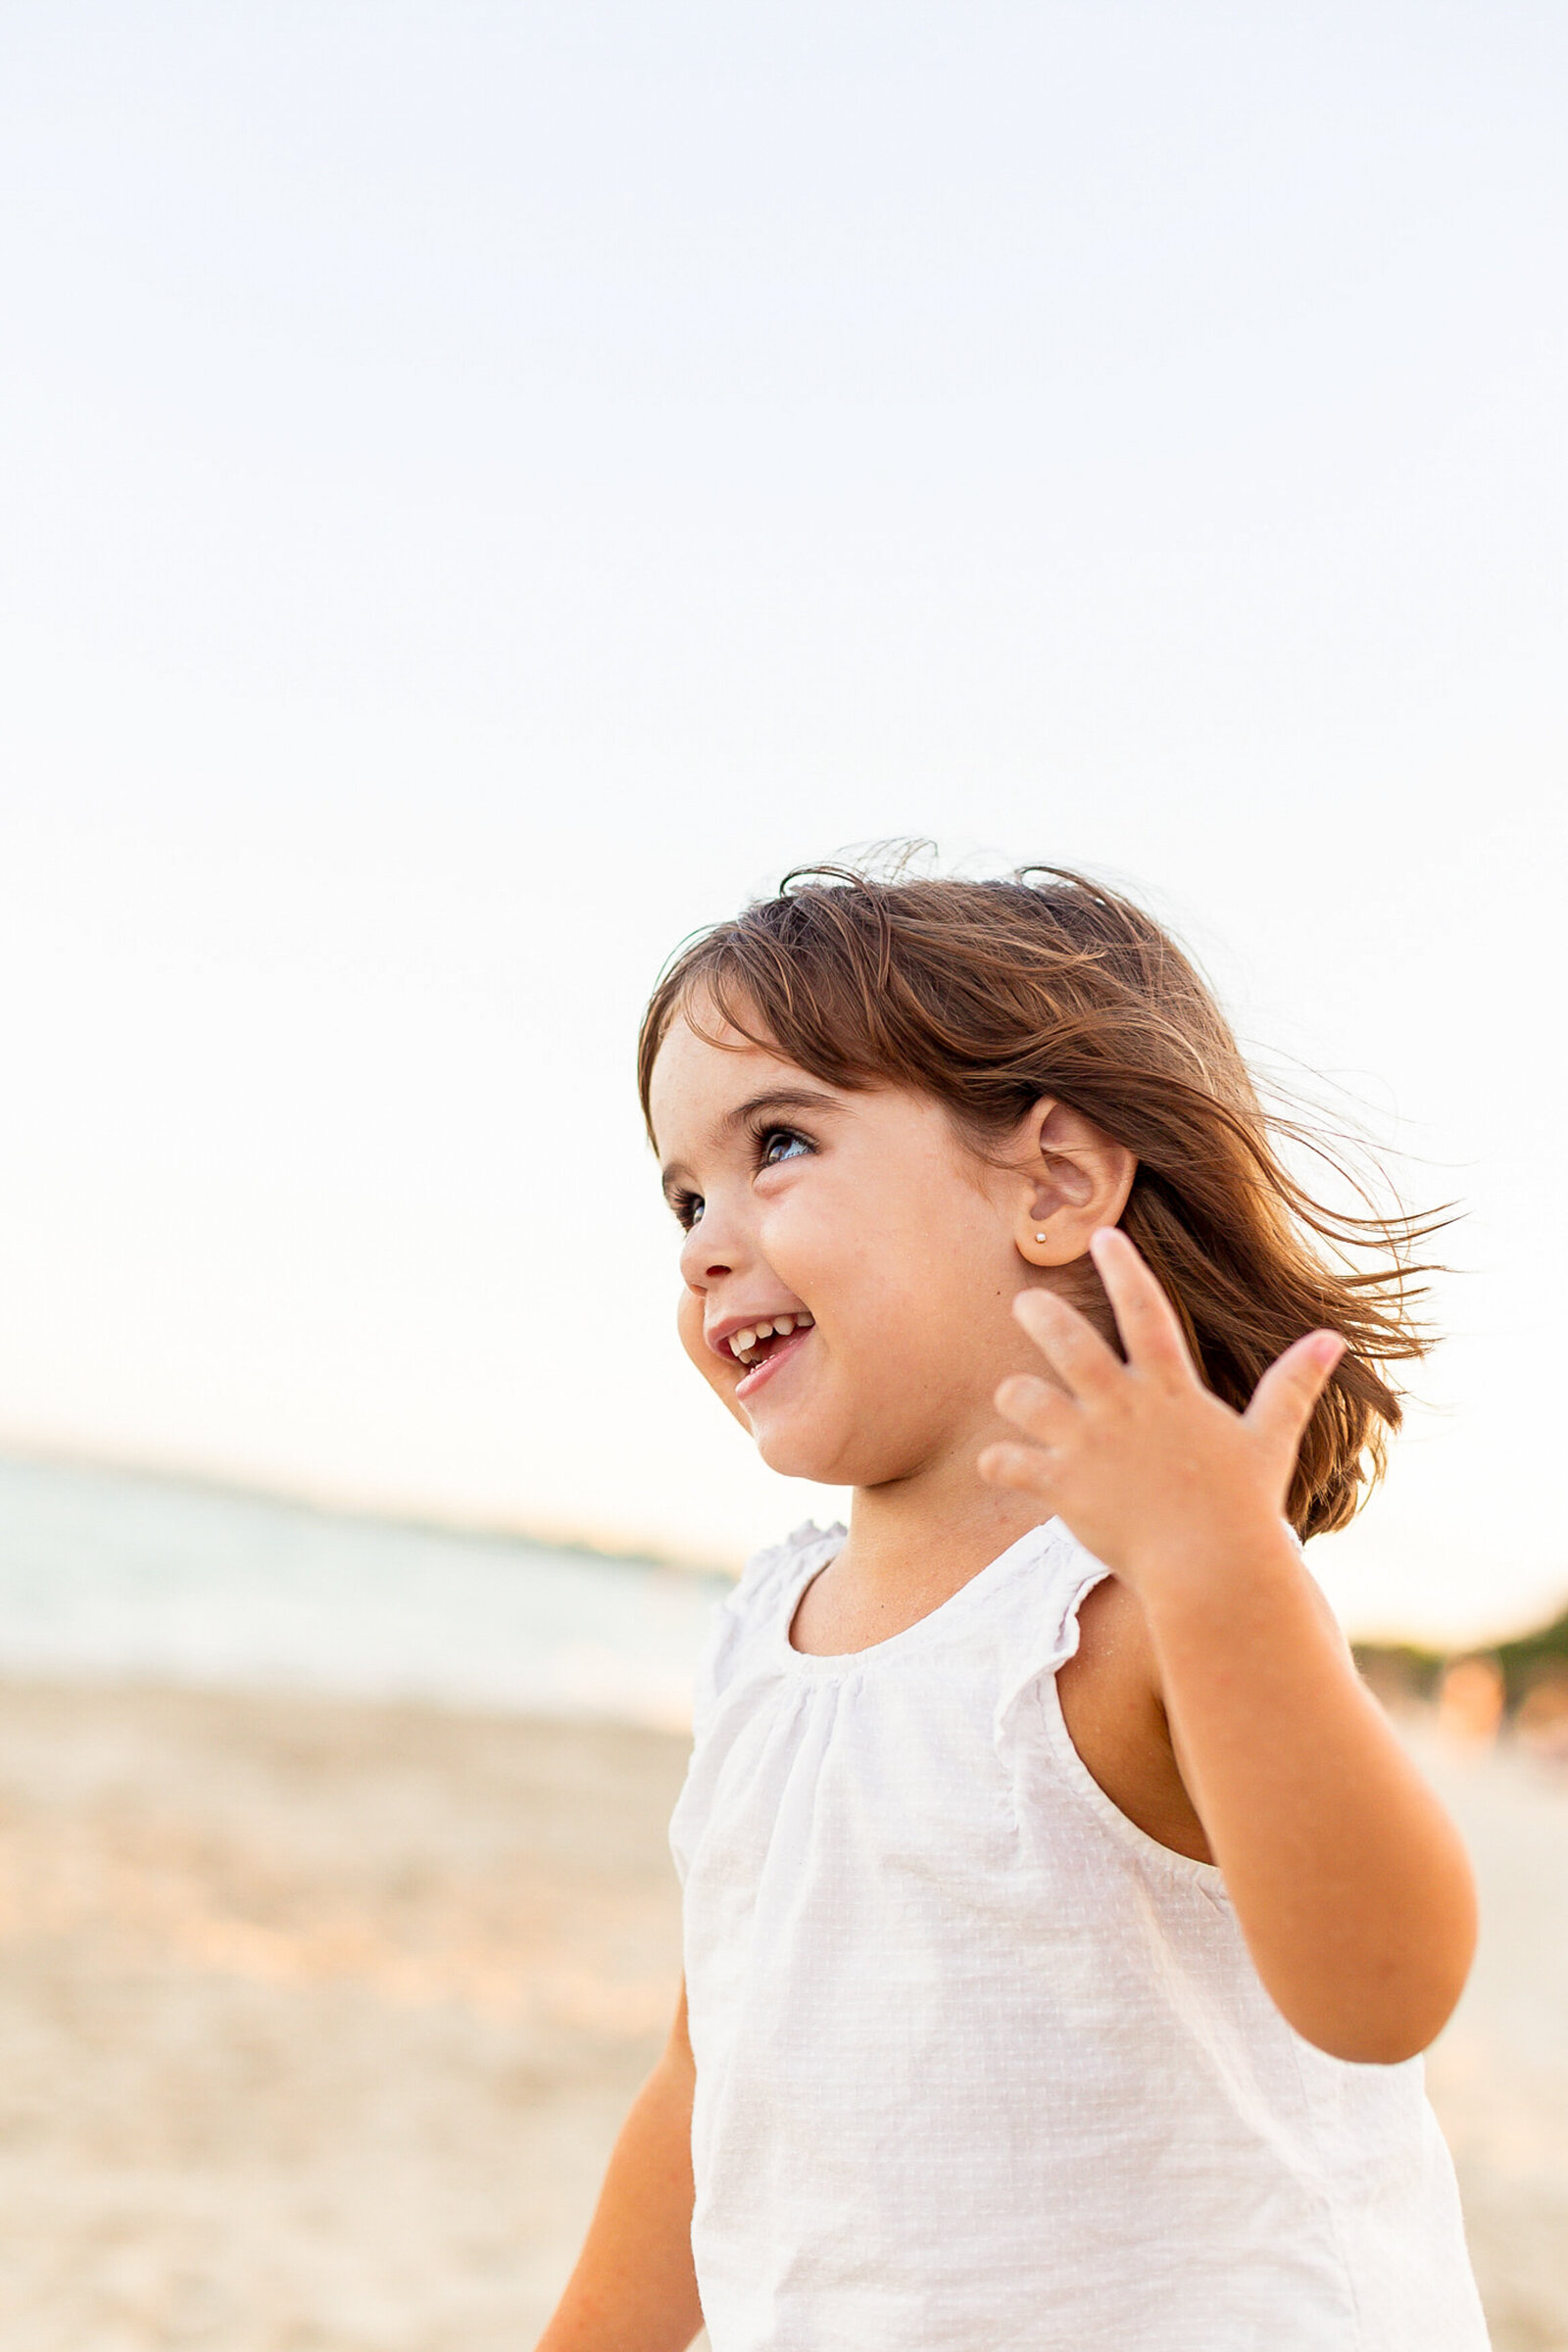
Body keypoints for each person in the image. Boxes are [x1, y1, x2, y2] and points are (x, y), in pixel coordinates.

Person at [537, 860, 1488, 2352]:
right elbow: (705, 2085)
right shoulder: (769, 1636)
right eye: (682, 1194)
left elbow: (1392, 1984)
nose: (705, 1239)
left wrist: (1223, 1577)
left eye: (777, 1142)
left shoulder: (1139, 1608)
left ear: (1053, 1182)